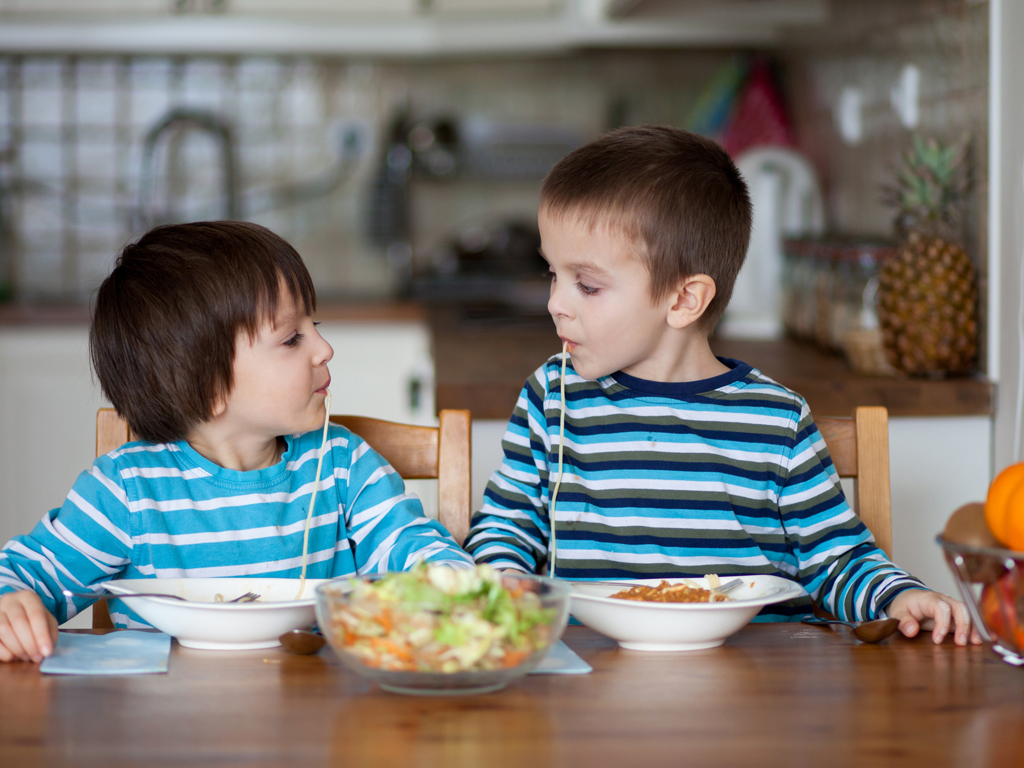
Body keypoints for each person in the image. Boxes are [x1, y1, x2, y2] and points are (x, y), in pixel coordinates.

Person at [462, 125, 979, 646]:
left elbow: (838, 560)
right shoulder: (553, 397)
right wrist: (499, 578)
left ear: (684, 300)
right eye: (553, 273)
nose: (556, 302)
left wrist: (897, 596)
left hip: (757, 688)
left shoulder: (776, 422)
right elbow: (506, 526)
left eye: (587, 285)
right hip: (589, 681)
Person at [0, 221, 472, 663]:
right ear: (207, 387)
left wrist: (455, 587)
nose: (324, 350)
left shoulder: (342, 465)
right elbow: (24, 576)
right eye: (292, 339)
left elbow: (417, 549)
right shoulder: (127, 491)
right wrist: (11, 609)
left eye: (317, 327)